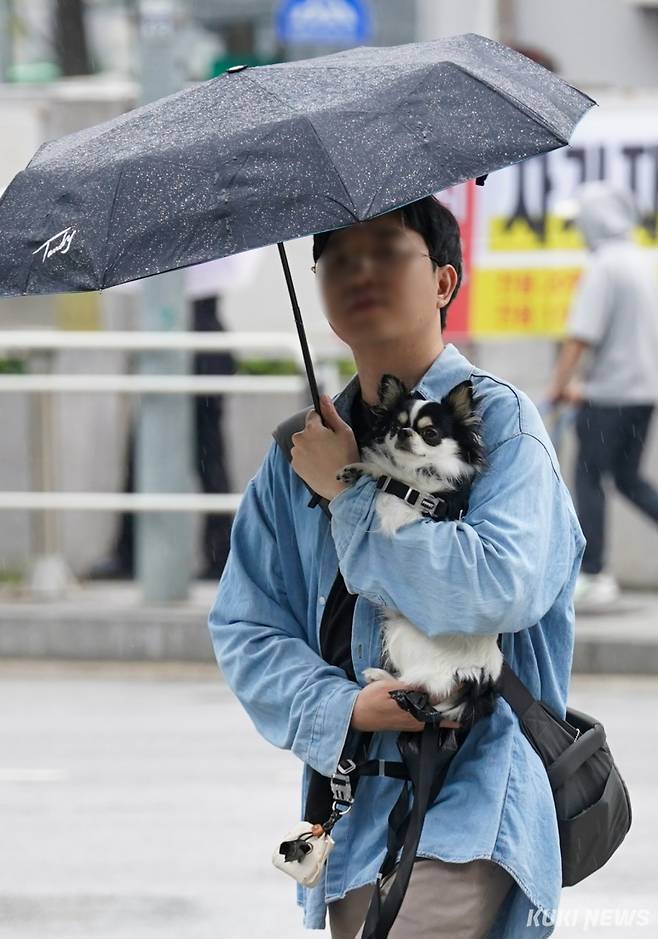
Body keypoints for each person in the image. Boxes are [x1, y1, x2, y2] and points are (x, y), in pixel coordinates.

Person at [208, 195, 585, 939]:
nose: (361, 272)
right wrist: (343, 708)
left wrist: (350, 494)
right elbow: (245, 627)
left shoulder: (499, 425)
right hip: (351, 816)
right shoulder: (298, 455)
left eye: (386, 250)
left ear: (444, 280)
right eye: (338, 259)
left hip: (477, 789)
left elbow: (498, 586)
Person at [547, 181, 658, 609]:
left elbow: (581, 336)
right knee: (628, 479)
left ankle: (593, 573)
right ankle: (594, 571)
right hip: (643, 394)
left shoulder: (604, 266)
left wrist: (559, 386)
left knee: (589, 476)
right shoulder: (642, 260)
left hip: (609, 397)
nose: (579, 229)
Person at [88, 294, 235, 581]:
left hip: (198, 355)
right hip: (184, 354)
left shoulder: (195, 292)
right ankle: (217, 554)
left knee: (206, 461)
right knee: (163, 456)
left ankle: (220, 554)